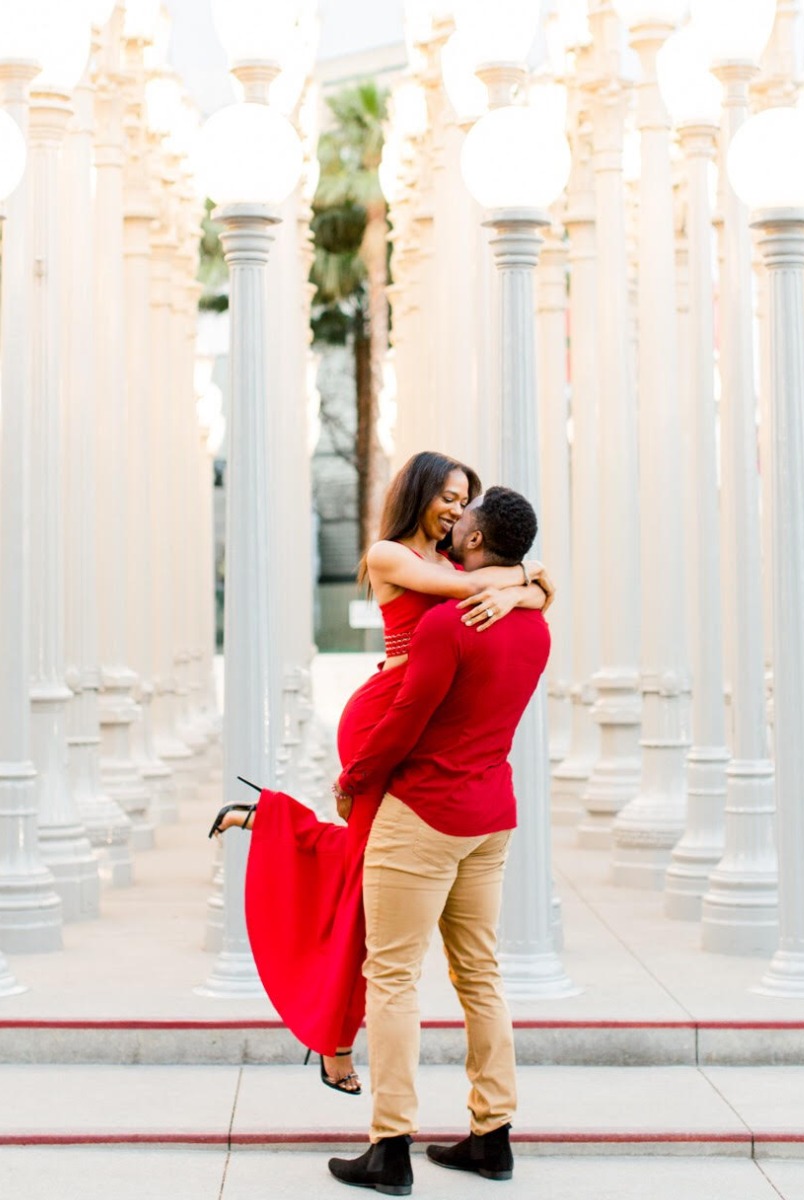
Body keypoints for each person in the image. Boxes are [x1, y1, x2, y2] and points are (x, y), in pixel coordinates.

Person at [209, 452, 550, 1094]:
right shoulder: (391, 555)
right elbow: (478, 590)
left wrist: (526, 589)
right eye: (448, 495)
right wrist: (525, 589)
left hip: (416, 728)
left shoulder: (456, 562)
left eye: (464, 498)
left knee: (369, 875)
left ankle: (275, 822)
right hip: (382, 724)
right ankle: (336, 1041)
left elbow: (499, 581)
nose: (454, 507)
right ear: (419, 492)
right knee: (368, 892)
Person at [327, 486, 551, 1196]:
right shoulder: (536, 626)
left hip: (423, 811)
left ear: (480, 545)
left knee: (391, 975)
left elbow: (403, 724)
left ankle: (389, 1146)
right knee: (479, 974)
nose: (454, 526)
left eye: (465, 521)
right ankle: (493, 1136)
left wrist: (354, 776)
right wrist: (525, 587)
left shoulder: (447, 626)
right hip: (492, 817)